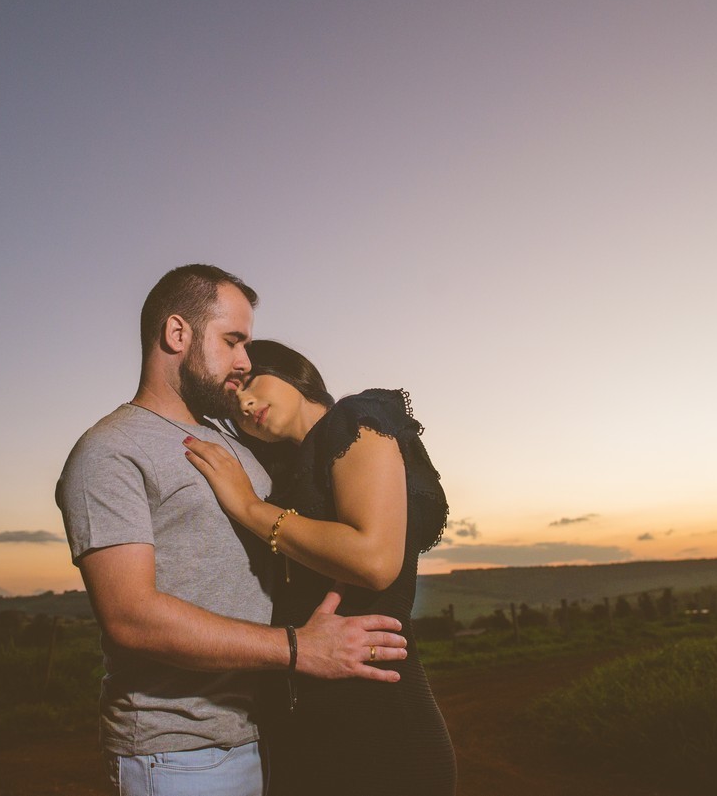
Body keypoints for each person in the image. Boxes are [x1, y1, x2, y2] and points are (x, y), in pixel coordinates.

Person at [56, 266, 409, 796]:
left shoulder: (237, 439)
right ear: (177, 334)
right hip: (180, 754)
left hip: (269, 737)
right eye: (232, 340)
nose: (245, 360)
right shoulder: (110, 450)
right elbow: (130, 617)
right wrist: (297, 649)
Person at [183, 339, 457, 796]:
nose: (245, 403)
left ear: (292, 371)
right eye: (233, 407)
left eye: (250, 381)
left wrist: (249, 508)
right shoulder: (289, 476)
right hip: (302, 732)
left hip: (378, 729)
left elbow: (373, 561)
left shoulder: (353, 420)